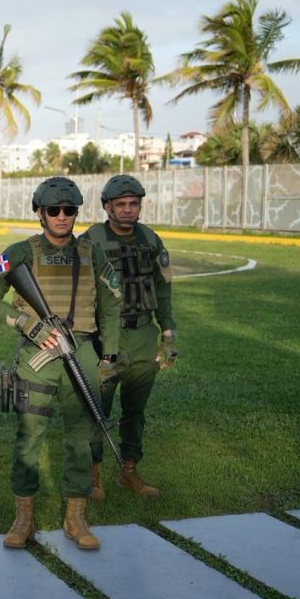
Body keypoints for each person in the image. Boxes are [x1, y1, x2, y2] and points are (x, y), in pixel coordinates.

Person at [0, 177, 120, 551]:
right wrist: (27, 323)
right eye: (53, 210)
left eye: (69, 210)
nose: (61, 217)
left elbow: (110, 305)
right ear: (39, 212)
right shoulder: (21, 252)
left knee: (81, 439)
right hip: (36, 358)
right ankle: (23, 518)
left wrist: (109, 357)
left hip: (82, 353)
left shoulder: (92, 254)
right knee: (29, 439)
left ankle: (75, 519)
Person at [78, 174, 175, 499]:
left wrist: (168, 333)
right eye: (121, 204)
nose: (128, 210)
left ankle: (129, 471)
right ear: (107, 206)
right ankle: (93, 475)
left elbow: (163, 289)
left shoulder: (151, 239)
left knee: (136, 410)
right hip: (105, 337)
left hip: (143, 335)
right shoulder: (91, 239)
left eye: (134, 204)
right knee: (97, 408)